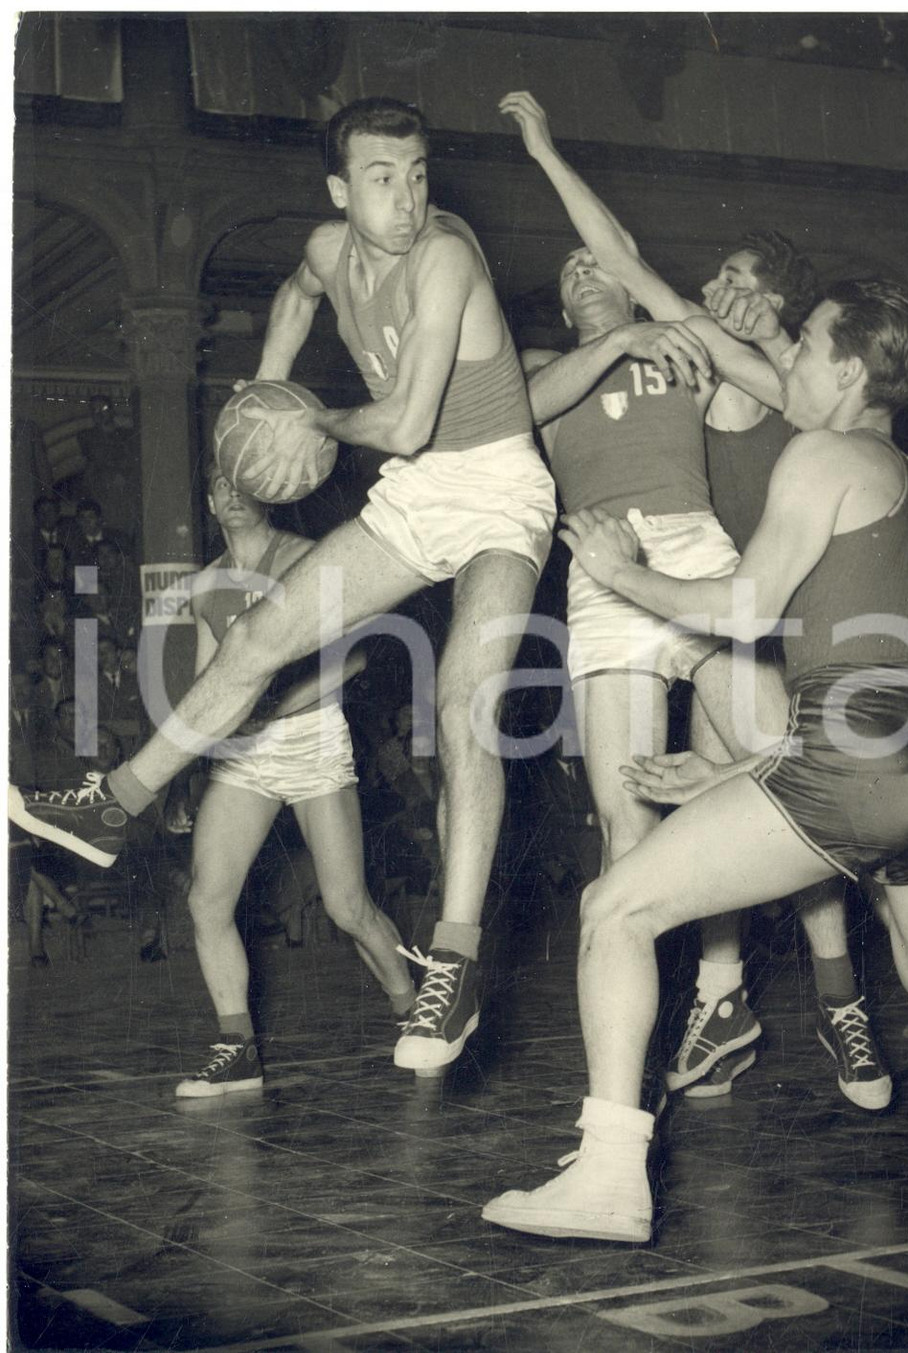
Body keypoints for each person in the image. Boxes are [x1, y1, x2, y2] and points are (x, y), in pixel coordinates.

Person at [10, 95, 557, 1075]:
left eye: (419, 172)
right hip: (421, 495)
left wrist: (310, 418)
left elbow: (400, 426)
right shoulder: (326, 249)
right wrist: (262, 387)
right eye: (383, 179)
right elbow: (300, 296)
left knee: (467, 703)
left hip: (503, 491)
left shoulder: (446, 258)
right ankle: (112, 806)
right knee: (258, 637)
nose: (407, 197)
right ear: (341, 192)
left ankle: (456, 964)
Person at [482, 278, 908, 1243]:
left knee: (615, 905)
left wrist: (620, 572)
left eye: (803, 345)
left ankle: (605, 1176)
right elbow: (881, 669)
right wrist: (730, 776)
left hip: (864, 765)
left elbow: (753, 611)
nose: (785, 358)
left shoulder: (822, 453)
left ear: (847, 371)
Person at [501, 89, 890, 1107]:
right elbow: (504, 409)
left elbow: (624, 251)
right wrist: (608, 347)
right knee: (624, 832)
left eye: (603, 276)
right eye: (569, 272)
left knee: (783, 773)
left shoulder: (684, 358)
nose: (587, 273)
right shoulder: (548, 367)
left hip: (693, 563)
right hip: (602, 578)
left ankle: (830, 994)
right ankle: (632, 1089)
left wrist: (545, 145)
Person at [173, 469, 416, 1096]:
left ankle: (411, 1009)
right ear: (208, 504)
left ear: (265, 491)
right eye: (217, 487)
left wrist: (273, 709)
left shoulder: (308, 559)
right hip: (242, 751)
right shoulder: (206, 586)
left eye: (238, 482)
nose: (228, 495)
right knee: (207, 899)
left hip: (310, 737)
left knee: (345, 905)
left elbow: (354, 657)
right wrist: (186, 771)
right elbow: (207, 686)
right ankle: (237, 1047)